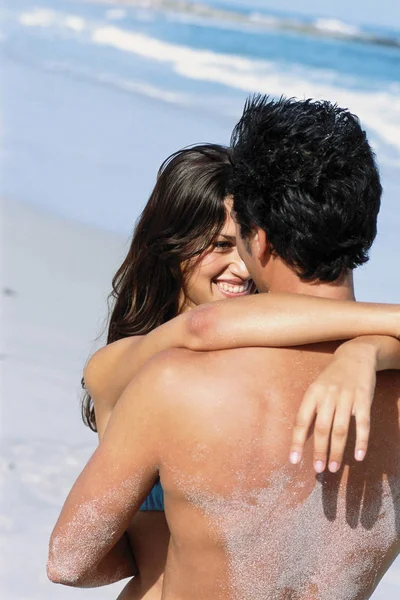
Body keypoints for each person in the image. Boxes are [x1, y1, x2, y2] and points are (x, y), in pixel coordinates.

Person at [48, 116, 400, 600]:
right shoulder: (127, 366)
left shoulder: (176, 385)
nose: (238, 266)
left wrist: (368, 350)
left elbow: (70, 560)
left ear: (261, 240)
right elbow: (202, 327)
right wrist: (373, 343)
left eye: (240, 242)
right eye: (218, 245)